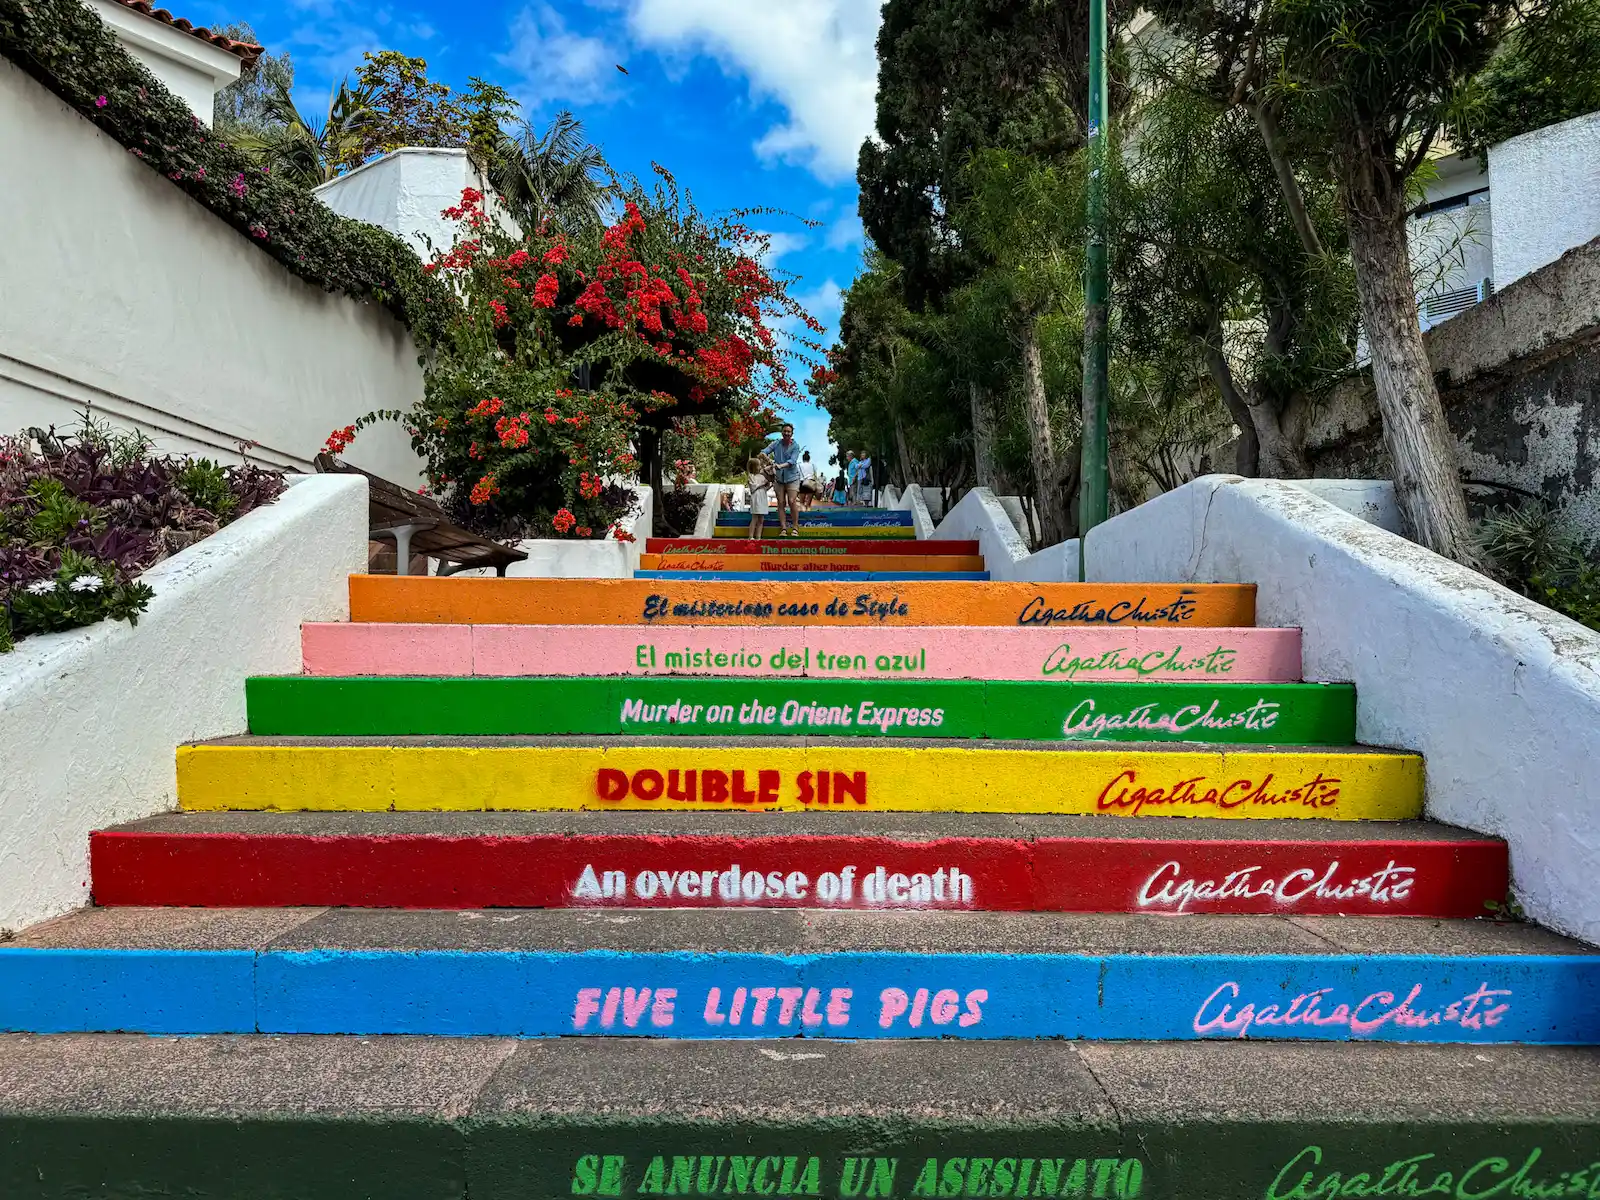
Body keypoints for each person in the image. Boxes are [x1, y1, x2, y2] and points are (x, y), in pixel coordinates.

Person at [767, 424, 803, 536]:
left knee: (792, 501)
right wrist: (768, 460)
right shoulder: (776, 443)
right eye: (785, 431)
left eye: (789, 431)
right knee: (781, 503)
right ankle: (783, 528)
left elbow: (792, 461)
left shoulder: (795, 446)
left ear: (792, 433)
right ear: (782, 432)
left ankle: (795, 527)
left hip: (792, 477)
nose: (787, 433)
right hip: (779, 479)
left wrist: (780, 466)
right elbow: (765, 451)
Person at [746, 454, 774, 541]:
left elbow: (764, 488)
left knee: (761, 519)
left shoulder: (762, 476)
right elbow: (753, 488)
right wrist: (762, 483)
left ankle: (758, 537)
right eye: (759, 465)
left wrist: (769, 486)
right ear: (754, 467)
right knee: (755, 517)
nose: (761, 467)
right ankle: (751, 536)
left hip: (762, 497)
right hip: (756, 497)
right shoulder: (751, 476)